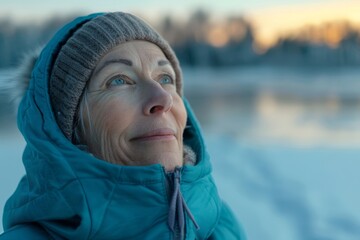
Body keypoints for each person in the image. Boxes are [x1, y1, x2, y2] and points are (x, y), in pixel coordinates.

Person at [0, 12, 246, 239]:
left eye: (166, 79)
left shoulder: (222, 226)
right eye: (119, 80)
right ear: (69, 128)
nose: (163, 98)